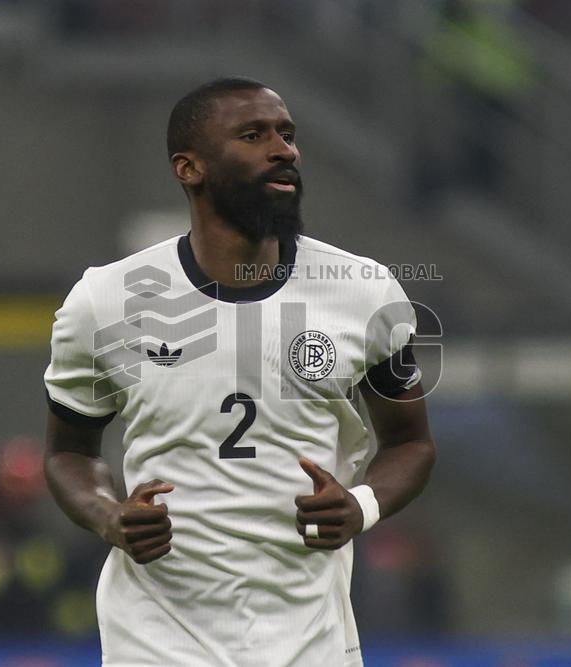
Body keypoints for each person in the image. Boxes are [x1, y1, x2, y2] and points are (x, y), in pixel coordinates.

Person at [43, 76, 436, 666]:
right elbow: (68, 452)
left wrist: (362, 505)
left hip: (311, 640)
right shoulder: (107, 300)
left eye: (288, 134)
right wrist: (109, 516)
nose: (284, 150)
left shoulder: (363, 292)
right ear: (189, 168)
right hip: (157, 639)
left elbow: (411, 443)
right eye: (253, 135)